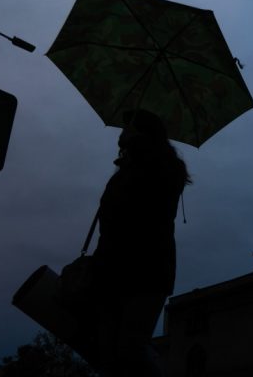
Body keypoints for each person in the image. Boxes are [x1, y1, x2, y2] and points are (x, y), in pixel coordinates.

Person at [90, 109, 191, 377]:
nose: (121, 132)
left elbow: (142, 212)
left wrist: (134, 158)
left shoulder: (163, 169)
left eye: (128, 127)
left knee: (129, 352)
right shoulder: (126, 170)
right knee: (109, 359)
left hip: (147, 271)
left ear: (141, 133)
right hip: (111, 270)